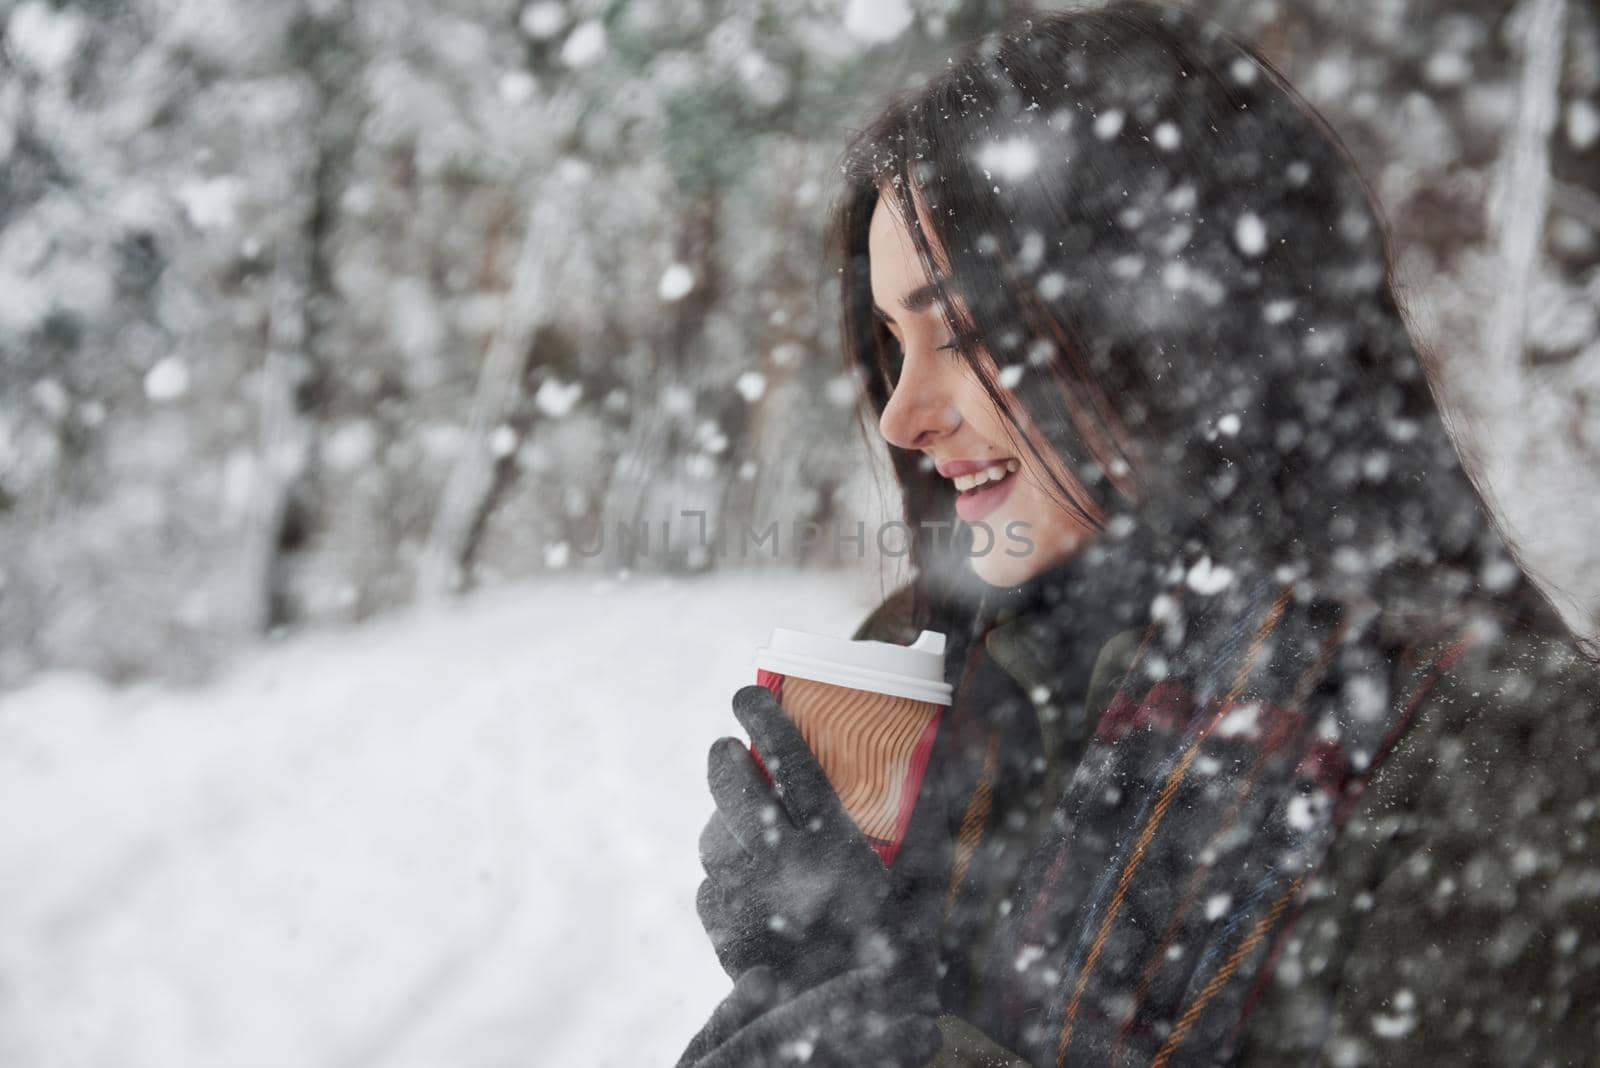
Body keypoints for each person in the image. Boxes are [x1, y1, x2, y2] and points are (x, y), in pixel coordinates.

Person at [678, 3, 1600, 1065]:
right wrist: (803, 975)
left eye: (967, 333)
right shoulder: (925, 666)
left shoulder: (1522, 772)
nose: (901, 414)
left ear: (1184, 325)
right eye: (895, 344)